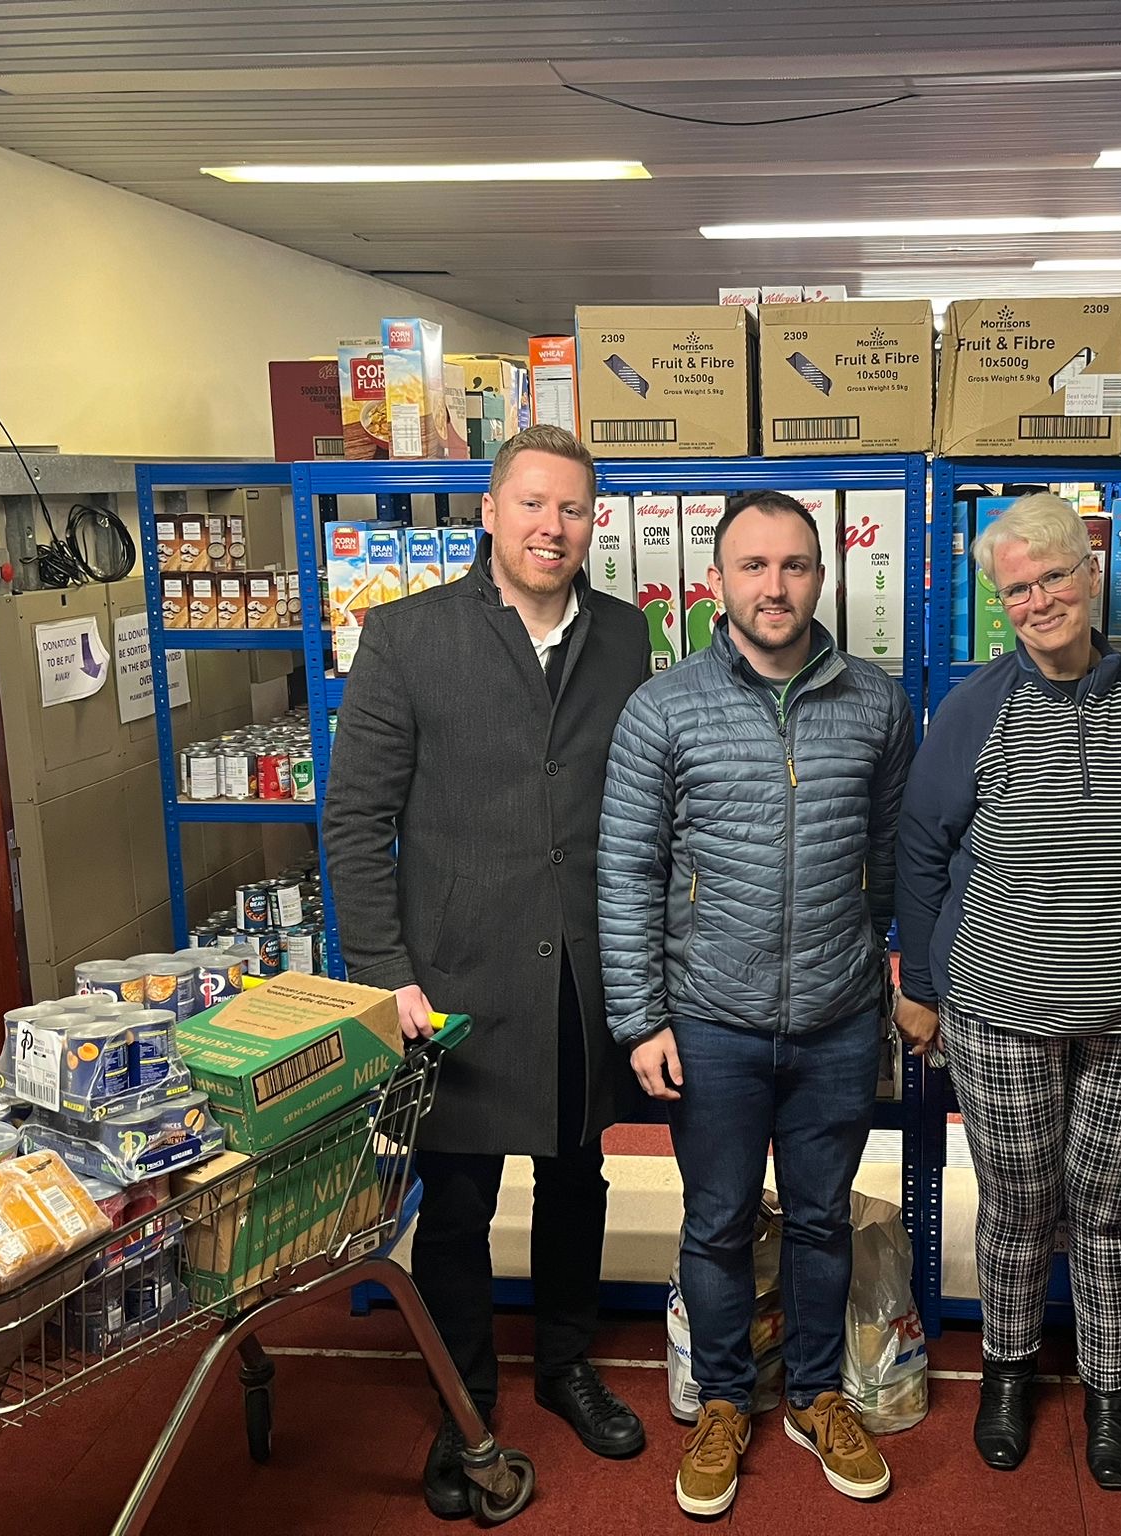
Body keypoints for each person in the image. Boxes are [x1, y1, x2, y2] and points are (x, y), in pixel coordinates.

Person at [323, 424, 652, 1519]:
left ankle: (563, 1366)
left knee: (575, 1178)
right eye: (530, 504)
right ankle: (463, 1403)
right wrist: (385, 970)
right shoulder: (408, 638)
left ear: (592, 522)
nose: (549, 526)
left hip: (581, 973)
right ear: (490, 513)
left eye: (570, 509)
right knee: (456, 1205)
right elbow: (354, 819)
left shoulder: (623, 635)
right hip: (451, 982)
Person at [597, 490, 914, 1519]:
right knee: (718, 1221)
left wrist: (892, 974)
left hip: (834, 1017)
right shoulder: (664, 707)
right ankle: (725, 1401)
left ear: (821, 578)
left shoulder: (873, 702)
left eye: (793, 566)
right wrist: (641, 1016)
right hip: (712, 1021)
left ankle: (818, 1394)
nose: (772, 586)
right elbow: (626, 868)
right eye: (751, 567)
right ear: (716, 583)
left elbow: (893, 854)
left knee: (821, 1220)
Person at [893, 492, 1121, 1491]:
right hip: (995, 1006)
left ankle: (1111, 1388)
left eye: (1052, 577)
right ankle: (1007, 1372)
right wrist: (919, 982)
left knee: (1109, 1209)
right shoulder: (974, 711)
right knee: (1018, 1204)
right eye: (1015, 588)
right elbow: (920, 847)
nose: (1037, 601)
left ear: (1089, 573)